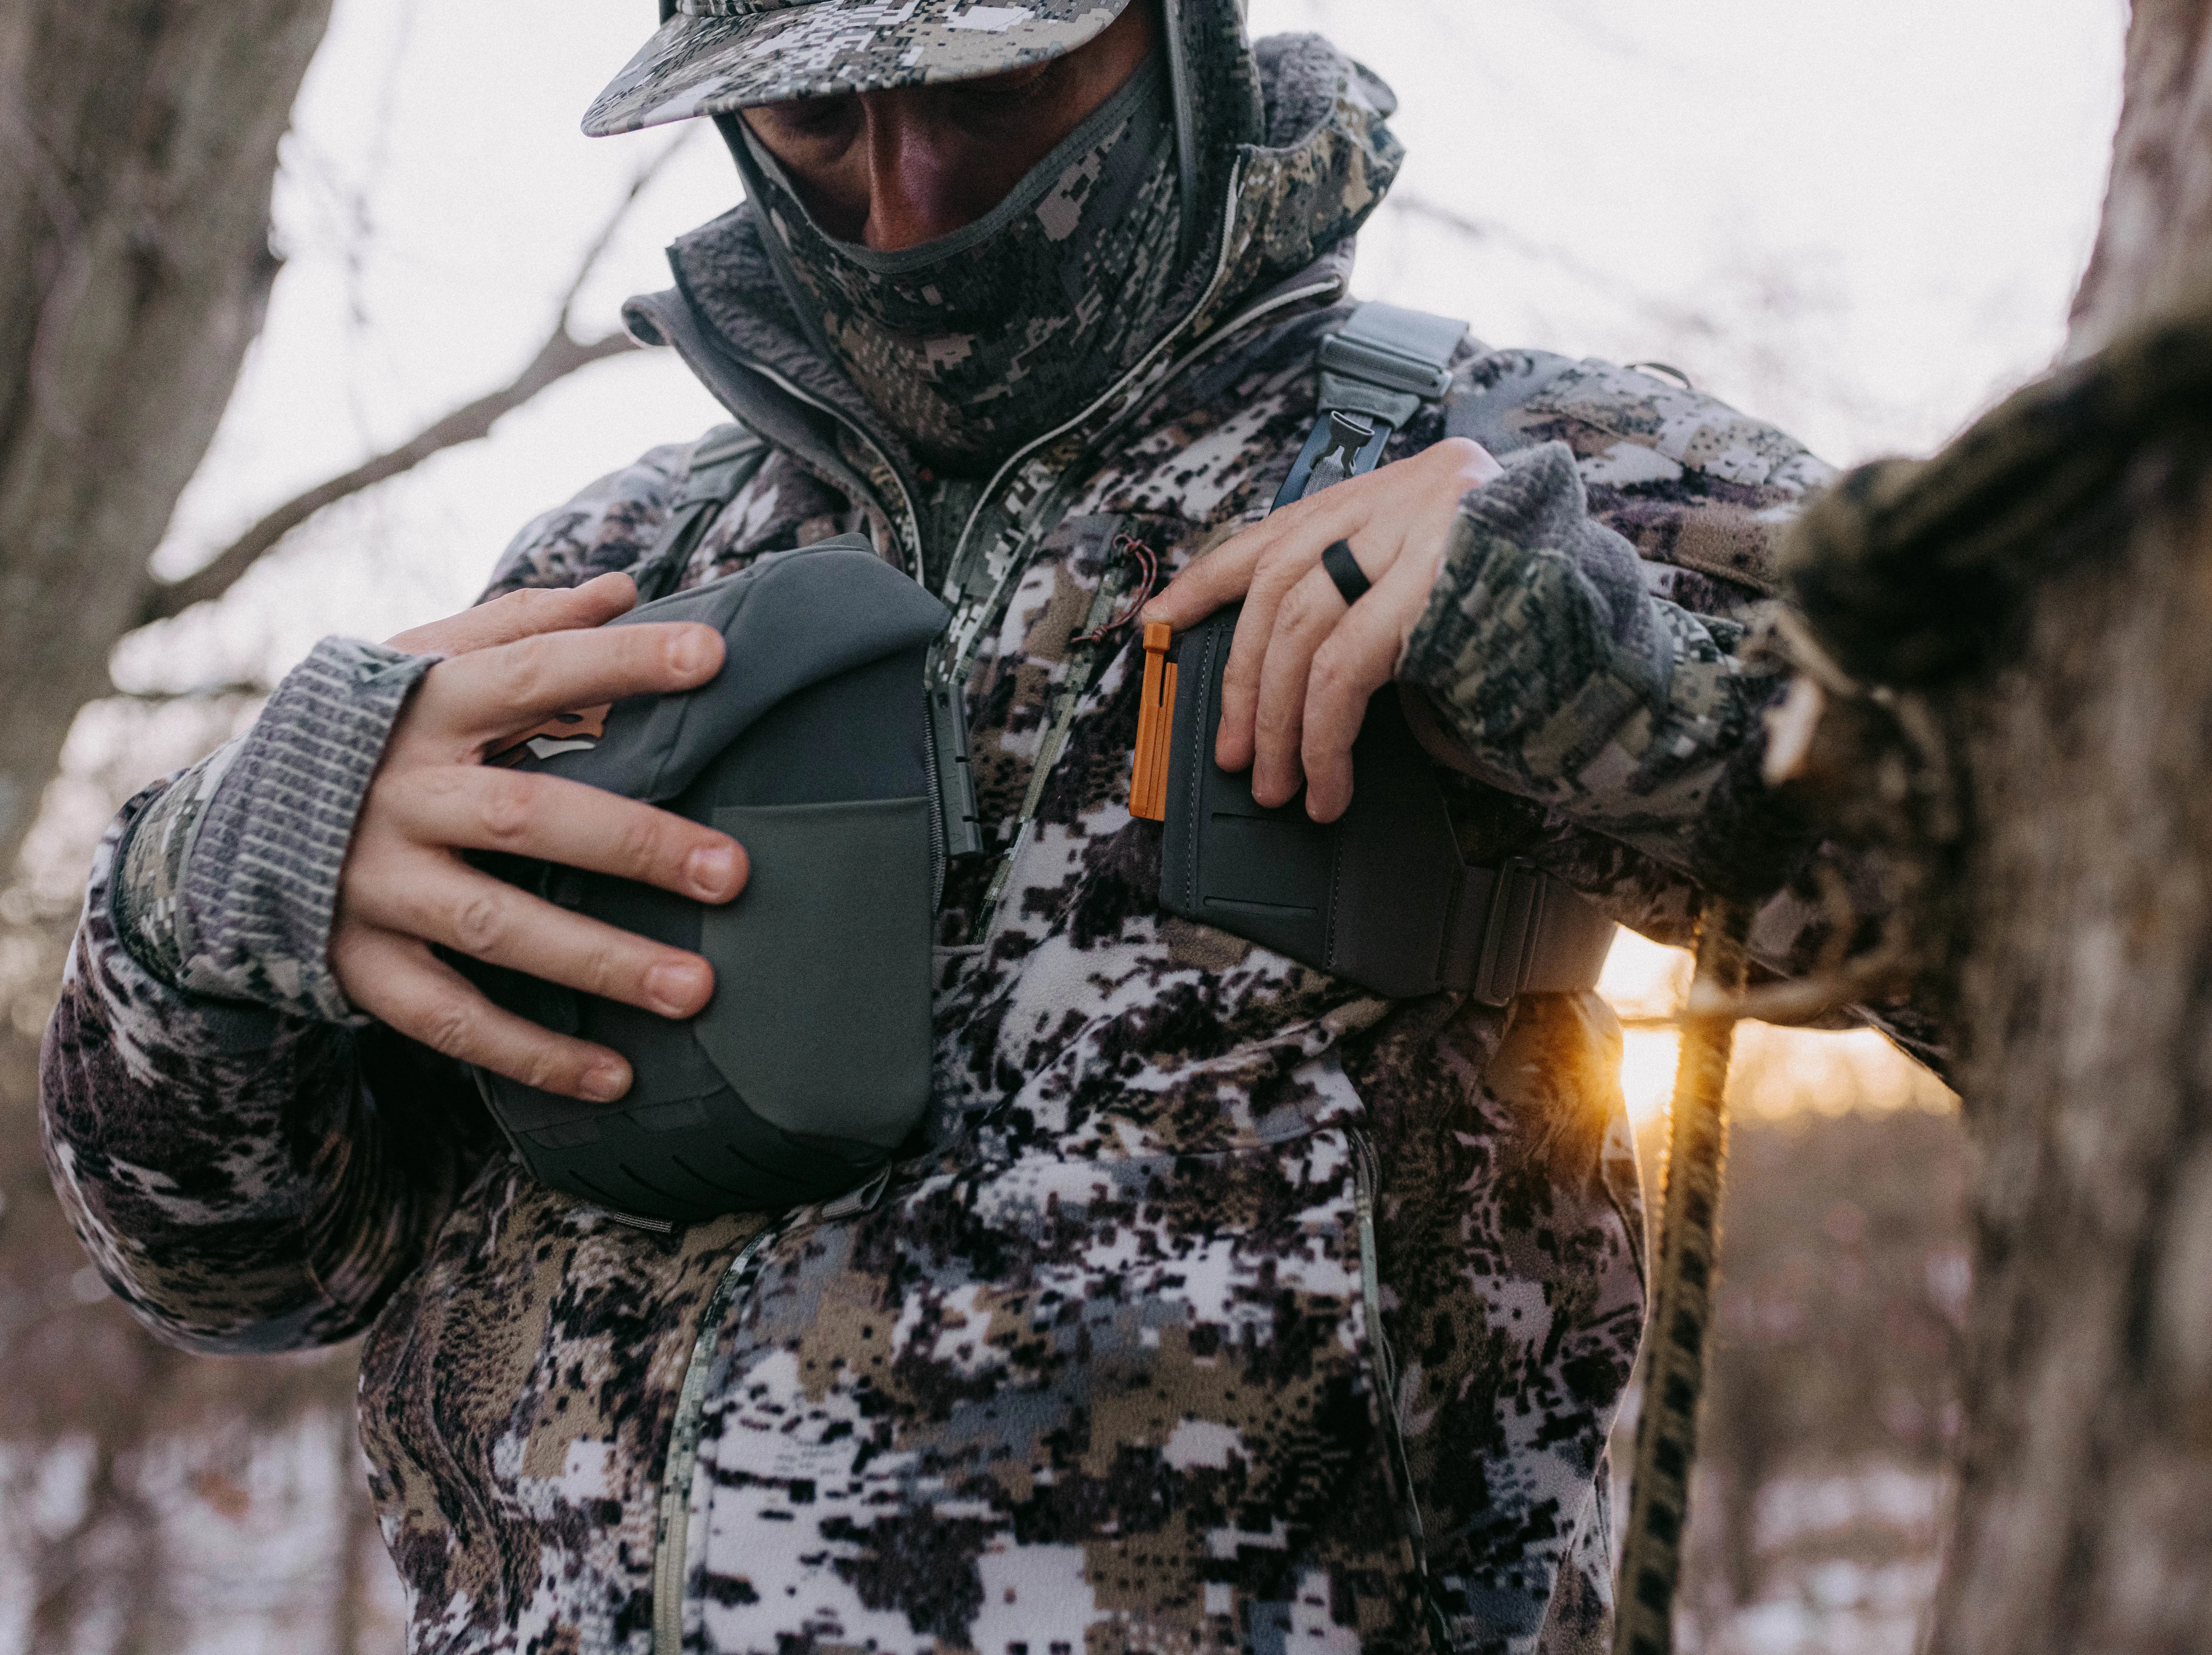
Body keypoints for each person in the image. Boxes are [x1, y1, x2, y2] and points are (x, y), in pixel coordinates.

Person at [40, 2, 1855, 1650]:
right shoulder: (604, 578)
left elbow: (2053, 910)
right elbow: (257, 1262)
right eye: (820, 114)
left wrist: (1616, 683)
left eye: (988, 90)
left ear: (1178, 37)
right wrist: (204, 900)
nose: (902, 203)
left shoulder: (1517, 463)